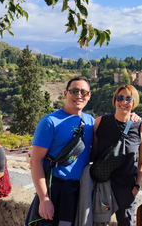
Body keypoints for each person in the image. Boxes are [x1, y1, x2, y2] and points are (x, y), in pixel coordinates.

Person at [28, 76, 94, 226]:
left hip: (78, 193)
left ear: (88, 96)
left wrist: (131, 117)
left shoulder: (91, 122)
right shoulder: (50, 121)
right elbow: (35, 161)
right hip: (54, 190)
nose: (79, 95)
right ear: (65, 94)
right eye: (74, 91)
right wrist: (44, 199)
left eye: (83, 92)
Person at [92, 84, 142, 226]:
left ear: (134, 102)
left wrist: (137, 186)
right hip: (102, 185)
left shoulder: (141, 126)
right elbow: (92, 153)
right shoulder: (100, 122)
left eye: (128, 99)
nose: (124, 102)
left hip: (127, 188)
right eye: (120, 97)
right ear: (115, 100)